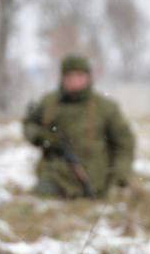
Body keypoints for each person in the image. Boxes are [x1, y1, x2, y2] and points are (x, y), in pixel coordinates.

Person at [22, 54, 136, 199]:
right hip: (55, 175)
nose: (75, 82)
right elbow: (29, 124)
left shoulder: (105, 107)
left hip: (96, 179)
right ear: (62, 78)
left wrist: (121, 176)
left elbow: (125, 143)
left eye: (79, 76)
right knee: (42, 200)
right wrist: (42, 138)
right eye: (70, 77)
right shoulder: (49, 103)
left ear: (88, 77)